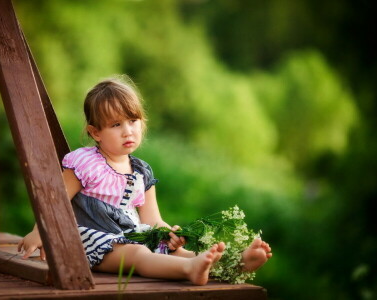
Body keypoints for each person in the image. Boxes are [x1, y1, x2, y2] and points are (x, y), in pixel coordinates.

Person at [17, 75, 272, 285]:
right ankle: (190, 270)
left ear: (142, 122)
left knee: (173, 249)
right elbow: (55, 200)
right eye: (116, 125)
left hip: (132, 236)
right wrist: (39, 232)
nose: (127, 130)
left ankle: (230, 265)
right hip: (91, 242)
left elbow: (151, 220)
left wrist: (168, 233)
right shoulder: (85, 162)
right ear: (95, 132)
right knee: (137, 254)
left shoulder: (141, 171)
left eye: (133, 120)